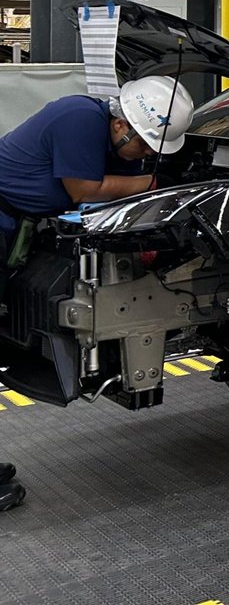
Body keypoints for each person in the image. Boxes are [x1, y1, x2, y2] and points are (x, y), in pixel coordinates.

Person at [0, 76, 195, 513]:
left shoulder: (108, 135)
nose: (144, 155)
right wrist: (153, 184)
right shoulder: (79, 118)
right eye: (143, 144)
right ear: (120, 124)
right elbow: (84, 191)